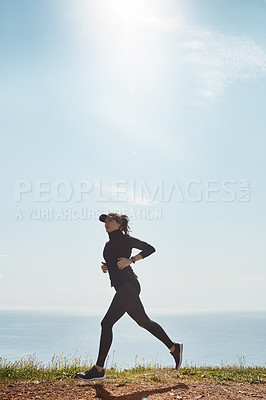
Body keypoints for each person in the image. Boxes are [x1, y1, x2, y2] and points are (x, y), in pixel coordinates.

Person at [77, 212, 183, 381]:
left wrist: (131, 260)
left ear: (119, 224)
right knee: (144, 322)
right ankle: (174, 348)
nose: (107, 223)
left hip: (129, 286)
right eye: (105, 221)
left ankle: (99, 369)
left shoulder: (125, 239)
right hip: (123, 288)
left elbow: (150, 249)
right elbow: (114, 262)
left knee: (106, 323)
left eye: (111, 220)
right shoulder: (107, 244)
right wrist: (108, 267)